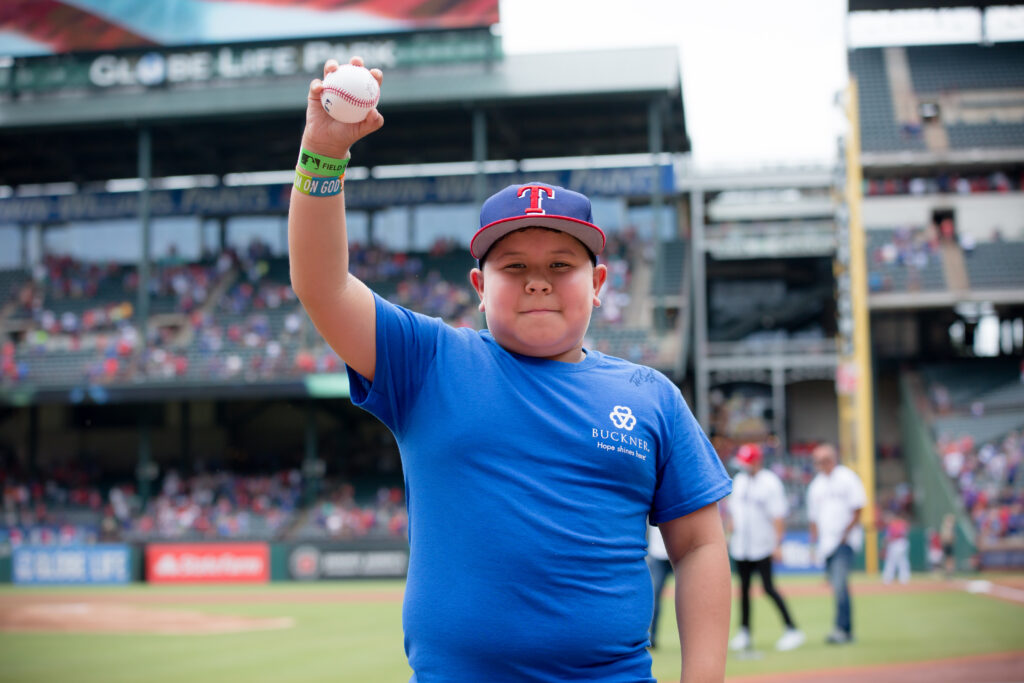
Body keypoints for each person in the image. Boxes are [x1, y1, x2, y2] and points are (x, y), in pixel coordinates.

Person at [288, 57, 734, 682]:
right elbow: (321, 285)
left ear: (598, 283)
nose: (538, 283)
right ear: (478, 284)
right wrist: (324, 152)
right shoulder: (428, 361)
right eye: (514, 267)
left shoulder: (651, 396)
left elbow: (700, 546)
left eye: (560, 265)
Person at [725, 443, 805, 652]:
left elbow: (778, 516)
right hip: (741, 546)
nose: (743, 467)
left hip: (763, 546)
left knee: (768, 588)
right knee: (743, 591)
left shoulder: (770, 482)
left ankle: (792, 629)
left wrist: (778, 544)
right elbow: (733, 511)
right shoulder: (740, 481)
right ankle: (744, 631)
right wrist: (730, 528)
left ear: (757, 462)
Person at [807, 443, 867, 645]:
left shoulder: (847, 478)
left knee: (840, 584)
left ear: (832, 459)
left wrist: (846, 533)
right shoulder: (816, 485)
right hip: (827, 543)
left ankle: (842, 629)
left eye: (822, 460)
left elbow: (858, 508)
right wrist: (814, 544)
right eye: (816, 461)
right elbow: (813, 518)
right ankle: (845, 630)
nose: (819, 465)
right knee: (837, 586)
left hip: (844, 541)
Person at [645, 524, 672, 650]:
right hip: (658, 554)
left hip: (680, 552)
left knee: (692, 596)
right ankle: (652, 638)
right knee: (654, 596)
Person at [881, 511, 910, 585]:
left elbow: (888, 538)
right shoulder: (901, 523)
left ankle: (888, 578)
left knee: (891, 561)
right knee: (902, 561)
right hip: (902, 543)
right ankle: (904, 578)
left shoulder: (893, 525)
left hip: (896, 544)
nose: (886, 519)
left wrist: (884, 547)